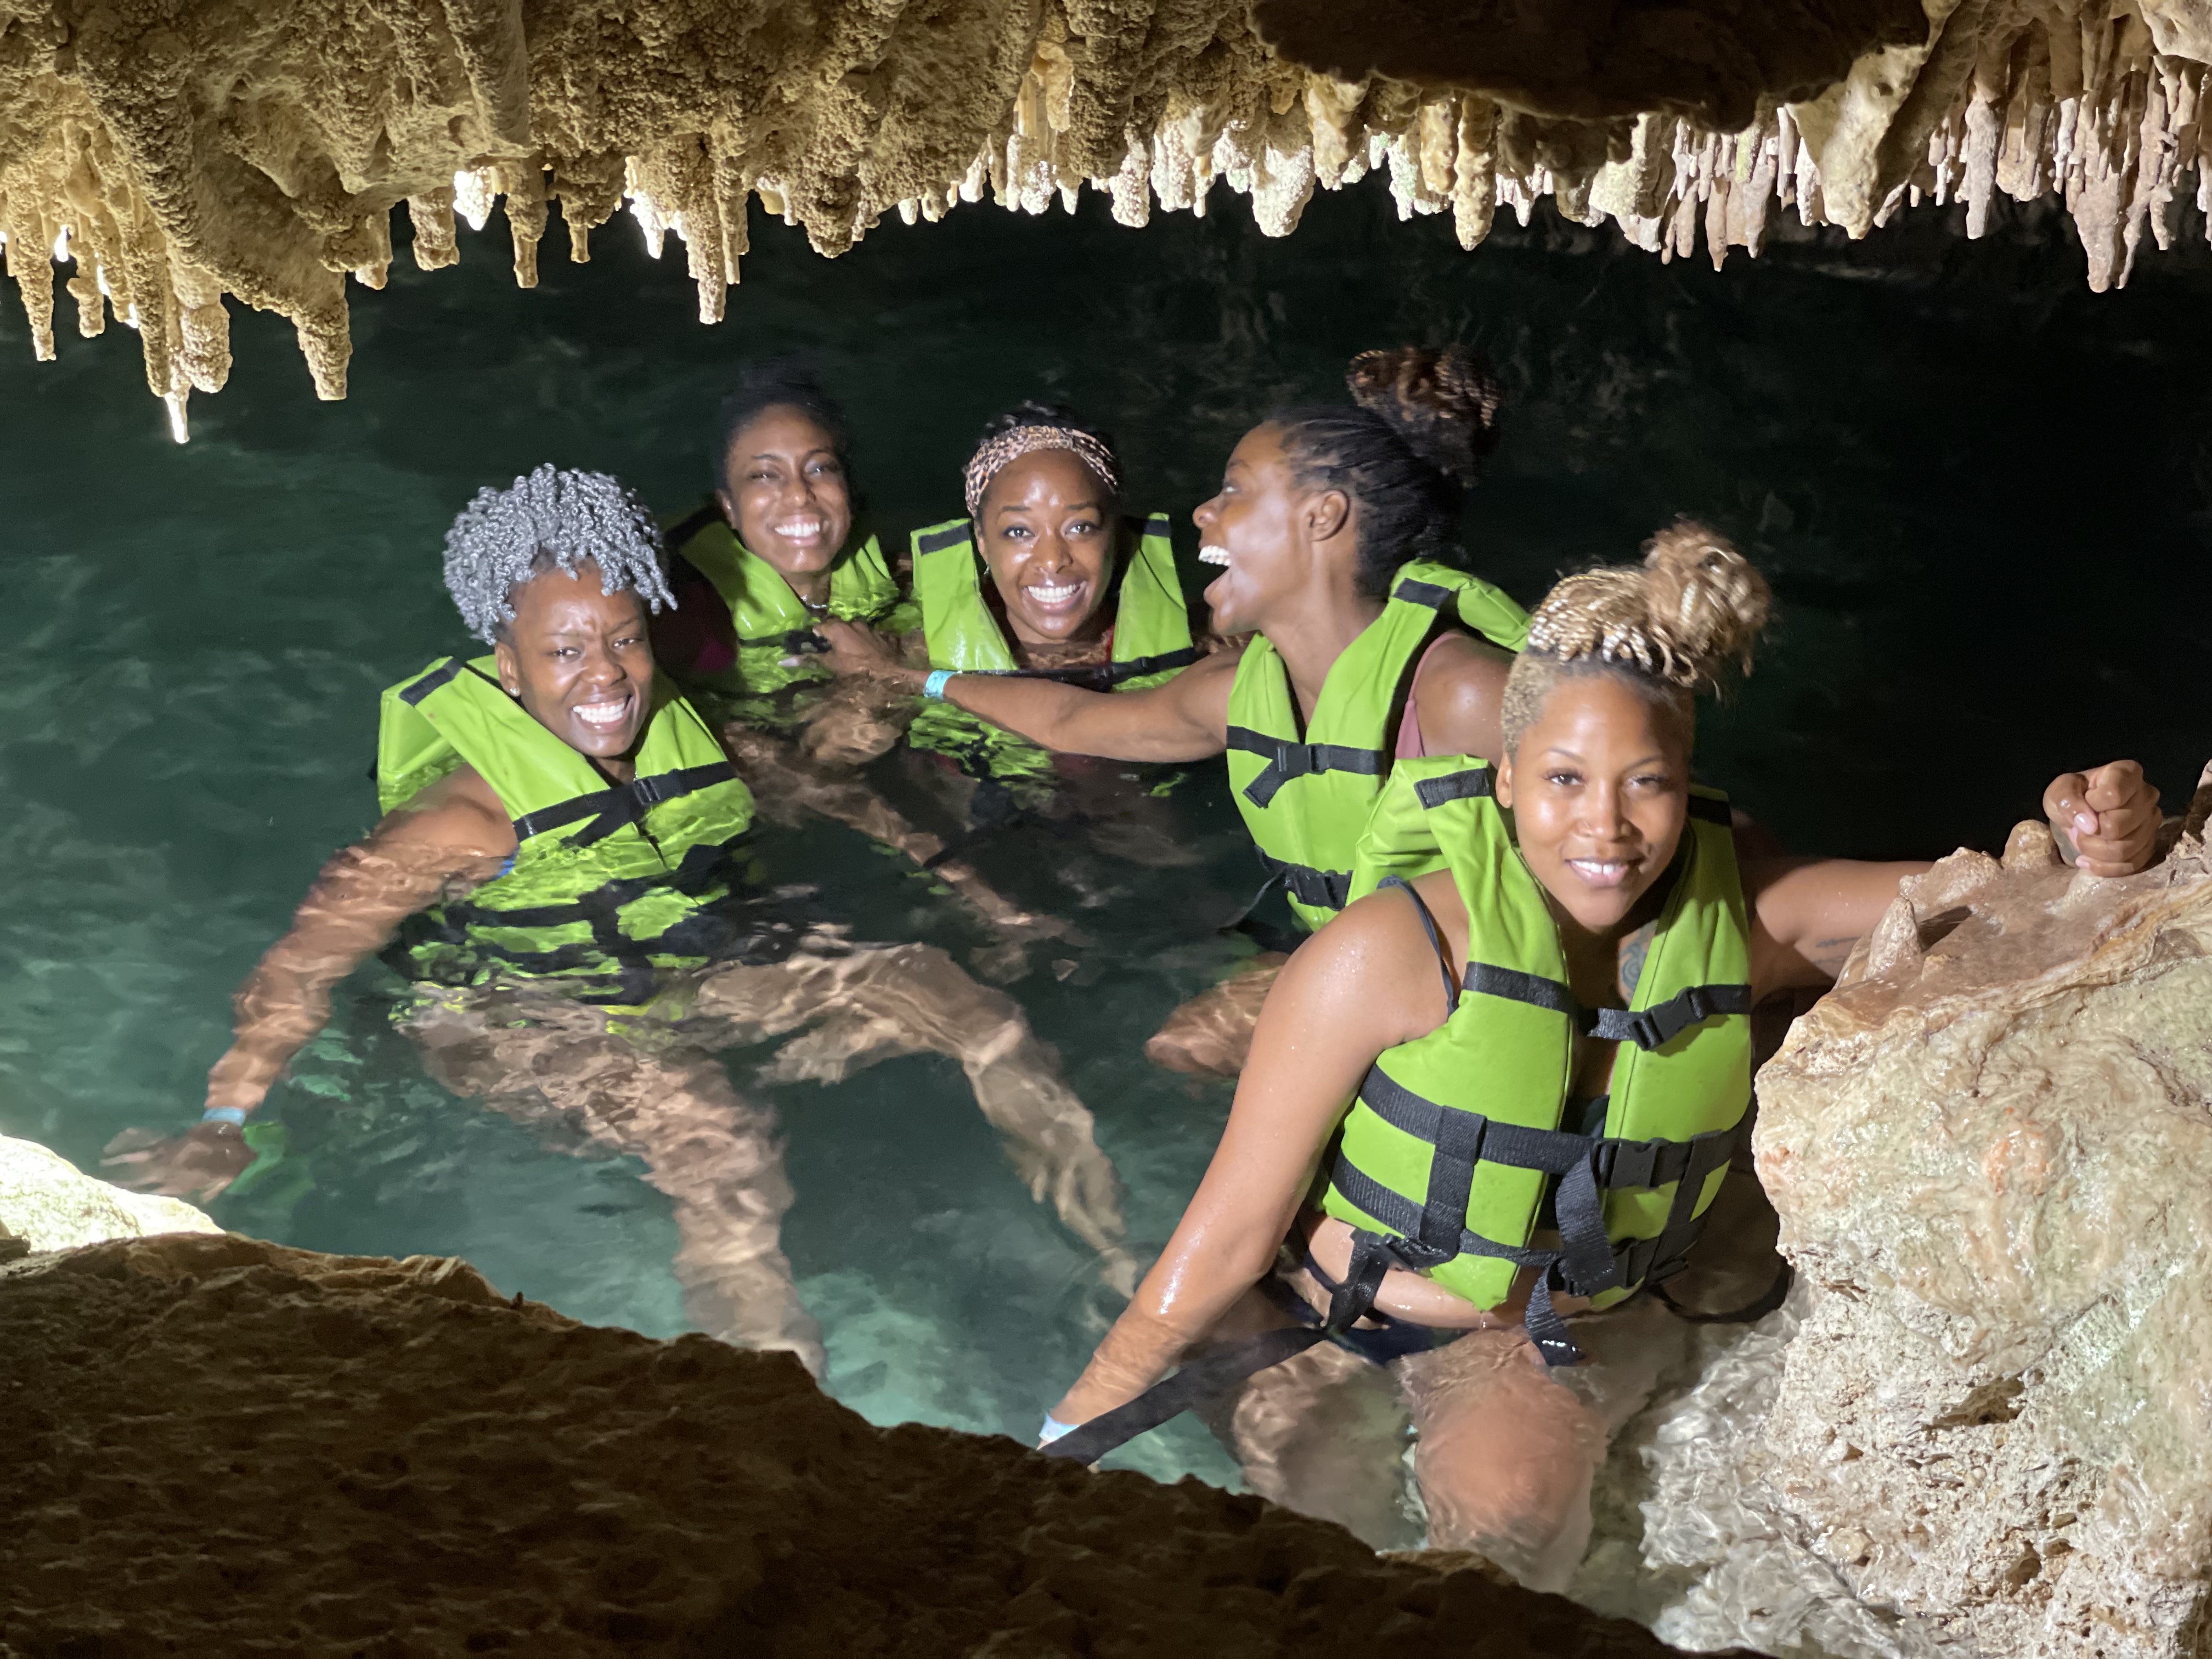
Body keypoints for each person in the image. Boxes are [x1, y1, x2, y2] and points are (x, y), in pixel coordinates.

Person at [1034, 524, 2163, 1583]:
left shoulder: (1754, 927)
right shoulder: (1385, 952)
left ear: (1690, 783)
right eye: (1566, 779)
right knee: (1308, 1552)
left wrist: (2096, 842)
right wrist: (1064, 1441)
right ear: (1507, 776)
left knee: (1512, 1548)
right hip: (1328, 1310)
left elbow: (2003, 904)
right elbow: (1228, 1235)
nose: (1606, 828)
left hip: (1522, 1338)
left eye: (1646, 783)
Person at [103, 465, 1132, 1377]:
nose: (605, 675)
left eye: (625, 640)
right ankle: (775, 1395)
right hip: (518, 1018)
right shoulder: (455, 822)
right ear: (511, 669)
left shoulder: (694, 731)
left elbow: (836, 798)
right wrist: (225, 1122)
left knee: (957, 1000)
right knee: (716, 1136)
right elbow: (299, 967)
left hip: (677, 975)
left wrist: (984, 896)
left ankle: (1115, 1260)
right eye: (565, 652)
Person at [825, 346, 1530, 1070]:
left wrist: (1386, 963)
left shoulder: (1459, 688)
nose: (1202, 512)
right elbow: (1067, 720)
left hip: (1464, 961)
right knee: (1182, 1045)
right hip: (1345, 943)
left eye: (1235, 490)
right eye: (1016, 531)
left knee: (1201, 1042)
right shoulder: (1236, 688)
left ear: (1323, 518)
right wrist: (911, 679)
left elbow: (1583, 848)